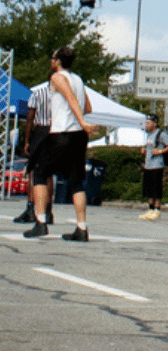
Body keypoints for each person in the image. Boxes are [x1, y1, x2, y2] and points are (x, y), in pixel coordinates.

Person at [23, 47, 96, 242]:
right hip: (78, 136)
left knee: (39, 173)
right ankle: (81, 228)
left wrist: (80, 121)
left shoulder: (57, 78)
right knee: (75, 180)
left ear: (57, 61)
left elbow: (70, 99)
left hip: (62, 133)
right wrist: (81, 123)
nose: (51, 60)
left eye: (52, 57)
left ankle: (40, 222)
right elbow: (87, 106)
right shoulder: (78, 80)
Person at [15, 82, 54, 226]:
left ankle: (31, 208)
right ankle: (48, 211)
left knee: (33, 172)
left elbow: (30, 116)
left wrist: (27, 140)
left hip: (41, 131)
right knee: (48, 173)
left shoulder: (38, 93)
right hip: (55, 131)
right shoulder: (62, 95)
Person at [139, 114, 168, 221]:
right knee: (148, 189)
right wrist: (144, 150)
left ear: (155, 124)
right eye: (146, 123)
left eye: (148, 123)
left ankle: (157, 209)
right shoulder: (148, 135)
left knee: (156, 188)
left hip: (157, 165)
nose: (146, 125)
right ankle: (150, 208)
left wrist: (161, 151)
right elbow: (149, 147)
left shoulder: (161, 134)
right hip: (148, 164)